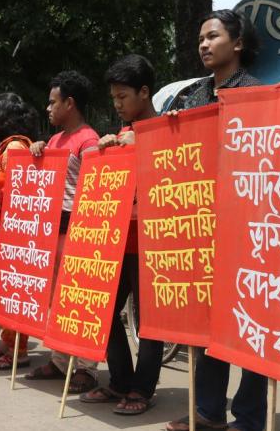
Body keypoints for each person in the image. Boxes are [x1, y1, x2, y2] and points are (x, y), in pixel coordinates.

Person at [166, 9, 268, 431]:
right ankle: (208, 411)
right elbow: (170, 150)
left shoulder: (262, 94)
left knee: (251, 323)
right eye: (200, 39)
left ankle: (247, 416)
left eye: (213, 36)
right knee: (207, 323)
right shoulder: (189, 96)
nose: (204, 45)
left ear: (238, 43)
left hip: (249, 227)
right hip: (201, 227)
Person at [80, 54, 164, 415]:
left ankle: (142, 389)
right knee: (105, 309)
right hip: (115, 240)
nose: (117, 105)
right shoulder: (118, 135)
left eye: (123, 97)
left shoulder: (165, 129)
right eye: (113, 98)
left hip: (151, 240)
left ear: (144, 92)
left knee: (149, 319)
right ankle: (120, 380)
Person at [26, 70, 101, 394]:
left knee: (78, 299)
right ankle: (58, 360)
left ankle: (84, 367)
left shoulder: (90, 140)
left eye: (53, 102)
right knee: (53, 299)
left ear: (70, 104)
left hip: (77, 229)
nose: (48, 108)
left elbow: (95, 189)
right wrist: (39, 149)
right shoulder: (54, 141)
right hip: (50, 230)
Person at [0, 92, 42, 370]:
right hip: (2, 227)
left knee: (14, 288)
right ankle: (7, 343)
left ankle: (19, 349)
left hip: (12, 230)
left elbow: (14, 190)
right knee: (5, 287)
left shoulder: (14, 147)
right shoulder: (8, 146)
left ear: (4, 116)